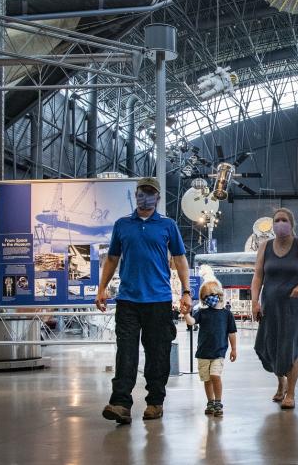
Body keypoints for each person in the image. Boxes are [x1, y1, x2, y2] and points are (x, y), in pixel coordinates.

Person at [95, 177, 191, 425]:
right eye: (142, 192)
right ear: (136, 194)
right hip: (128, 300)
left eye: (151, 193)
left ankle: (155, 402)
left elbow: (180, 260)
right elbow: (112, 258)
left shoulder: (168, 226)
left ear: (157, 198)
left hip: (158, 300)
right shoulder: (122, 225)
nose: (146, 197)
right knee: (126, 353)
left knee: (157, 354)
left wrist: (187, 292)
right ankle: (120, 404)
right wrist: (101, 288)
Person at [252, 207, 298, 410]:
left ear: (291, 223)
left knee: (290, 349)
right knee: (269, 347)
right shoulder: (265, 247)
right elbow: (258, 276)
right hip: (270, 307)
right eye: (277, 220)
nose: (280, 223)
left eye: (284, 220)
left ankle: (291, 393)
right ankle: (280, 382)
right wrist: (255, 301)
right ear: (273, 225)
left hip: (292, 307)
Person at [183, 280, 237, 417]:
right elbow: (192, 322)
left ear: (219, 294)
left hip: (219, 351)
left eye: (211, 294)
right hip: (203, 352)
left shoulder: (227, 314)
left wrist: (234, 349)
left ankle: (218, 402)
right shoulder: (202, 312)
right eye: (205, 297)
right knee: (207, 379)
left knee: (215, 375)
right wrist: (186, 314)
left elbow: (232, 333)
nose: (209, 298)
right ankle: (210, 402)